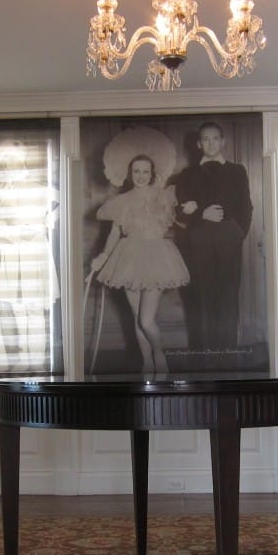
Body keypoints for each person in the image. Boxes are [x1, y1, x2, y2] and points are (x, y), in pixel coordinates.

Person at [90, 154, 189, 374]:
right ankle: (147, 363)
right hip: (129, 257)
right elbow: (115, 233)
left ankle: (159, 354)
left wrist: (187, 212)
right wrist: (103, 256)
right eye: (136, 171)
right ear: (129, 174)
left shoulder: (163, 197)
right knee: (136, 317)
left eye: (145, 171)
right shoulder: (122, 201)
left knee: (146, 320)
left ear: (152, 174)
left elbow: (180, 220)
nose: (141, 176)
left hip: (156, 257)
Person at [173, 122, 253, 352]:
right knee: (201, 296)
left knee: (228, 295)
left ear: (222, 141)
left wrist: (238, 234)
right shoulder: (187, 175)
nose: (210, 143)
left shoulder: (237, 171)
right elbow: (180, 211)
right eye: (205, 139)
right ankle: (204, 353)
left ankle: (227, 353)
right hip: (199, 241)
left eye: (215, 138)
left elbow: (246, 207)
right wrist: (201, 214)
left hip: (229, 239)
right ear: (199, 144)